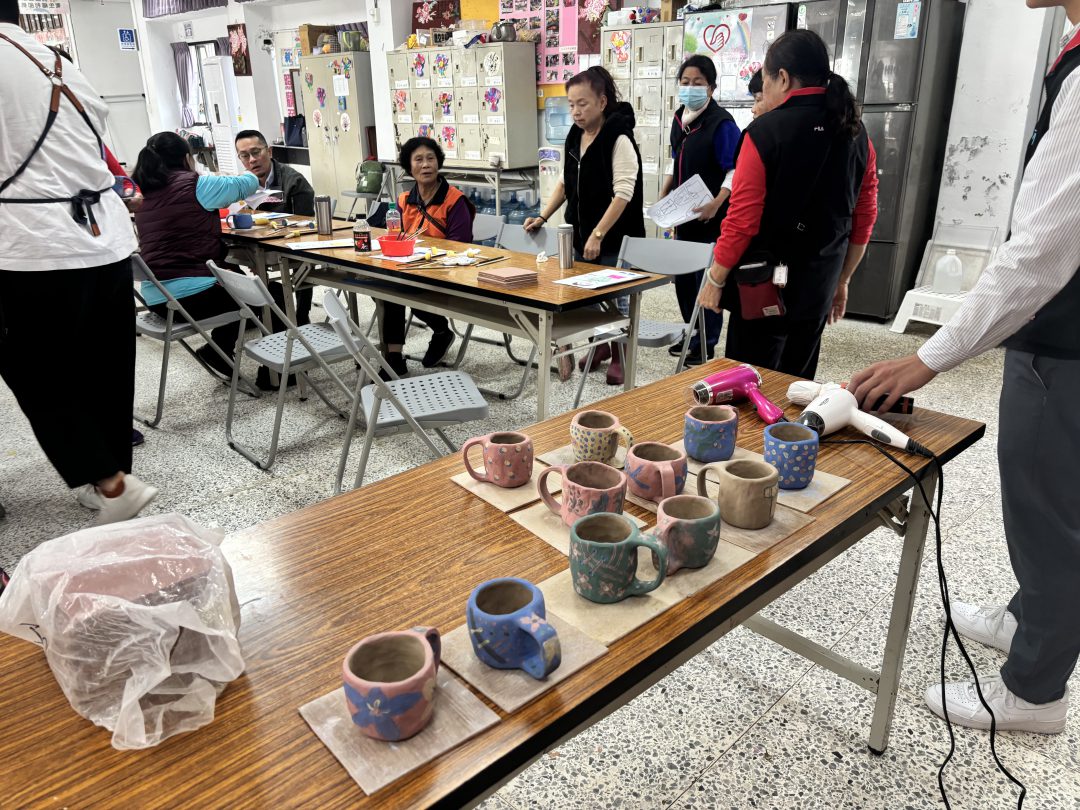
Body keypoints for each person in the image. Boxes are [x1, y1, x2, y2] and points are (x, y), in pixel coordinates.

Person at [848, 3, 1080, 735]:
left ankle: (1034, 693)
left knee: (1051, 516)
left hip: (1067, 347)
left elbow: (1039, 254)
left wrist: (927, 357)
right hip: (1054, 336)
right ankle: (1027, 619)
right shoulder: (1071, 50)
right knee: (1043, 502)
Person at [0, 6, 157, 525]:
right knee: (106, 369)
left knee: (35, 370)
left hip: (32, 247)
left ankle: (110, 483)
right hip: (105, 241)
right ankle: (114, 478)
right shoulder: (55, 60)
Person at [697, 29, 878, 379]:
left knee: (749, 380)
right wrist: (842, 280)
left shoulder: (764, 132)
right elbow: (864, 216)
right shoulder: (856, 132)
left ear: (782, 77)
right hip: (820, 281)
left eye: (765, 80)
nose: (764, 90)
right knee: (798, 383)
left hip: (762, 286)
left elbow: (742, 219)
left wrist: (715, 279)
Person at [524, 66, 645, 386]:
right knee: (587, 295)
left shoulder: (618, 138)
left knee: (616, 298)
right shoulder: (574, 136)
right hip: (581, 234)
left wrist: (598, 234)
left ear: (602, 102)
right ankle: (600, 345)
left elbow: (623, 194)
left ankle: (620, 355)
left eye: (583, 104)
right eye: (571, 104)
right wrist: (543, 216)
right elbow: (565, 184)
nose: (576, 111)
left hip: (616, 237)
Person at [132, 132, 260, 381]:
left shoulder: (144, 192)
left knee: (237, 281)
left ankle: (223, 347)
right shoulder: (196, 185)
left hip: (156, 299)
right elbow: (248, 183)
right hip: (189, 299)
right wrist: (241, 173)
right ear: (186, 158)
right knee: (267, 293)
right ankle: (237, 356)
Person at [658, 54, 740, 365]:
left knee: (704, 281)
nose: (690, 88)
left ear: (711, 88)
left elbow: (735, 170)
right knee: (683, 281)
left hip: (710, 219)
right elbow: (675, 160)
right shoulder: (680, 118)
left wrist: (716, 203)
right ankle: (692, 332)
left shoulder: (722, 124)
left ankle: (707, 343)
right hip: (684, 217)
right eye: (685, 82)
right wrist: (664, 192)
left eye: (698, 83)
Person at [380, 136, 474, 377]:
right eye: (419, 160)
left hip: (447, 272)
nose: (425, 165)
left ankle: (440, 331)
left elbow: (460, 247)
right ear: (409, 166)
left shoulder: (455, 200)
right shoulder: (404, 200)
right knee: (386, 287)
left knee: (395, 289)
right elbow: (396, 236)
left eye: (430, 158)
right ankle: (394, 357)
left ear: (438, 163)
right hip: (412, 270)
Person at [234, 129, 315, 325]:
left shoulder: (294, 181)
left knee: (304, 262)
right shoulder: (242, 183)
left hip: (289, 244)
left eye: (256, 152)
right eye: (244, 156)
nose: (252, 160)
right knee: (220, 258)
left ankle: (301, 316)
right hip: (253, 243)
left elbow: (305, 226)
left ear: (269, 151)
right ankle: (252, 310)